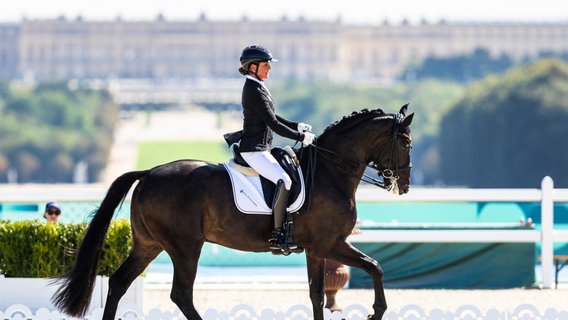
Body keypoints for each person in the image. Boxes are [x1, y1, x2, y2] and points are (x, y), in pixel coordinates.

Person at [237, 44, 316, 252]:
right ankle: (279, 234)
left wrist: (296, 125)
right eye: (266, 65)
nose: (269, 68)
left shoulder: (258, 85)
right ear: (252, 67)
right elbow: (273, 124)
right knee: (285, 179)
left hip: (260, 148)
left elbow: (272, 116)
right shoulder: (253, 89)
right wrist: (300, 137)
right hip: (254, 150)